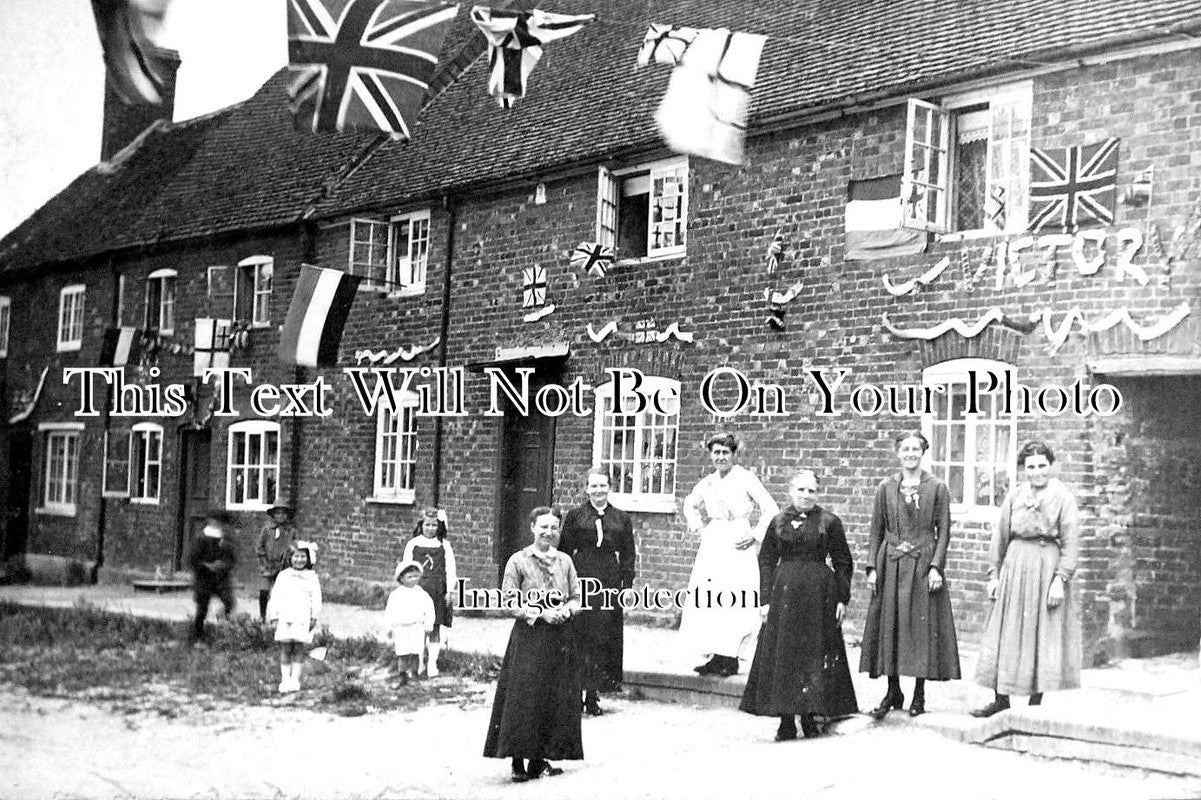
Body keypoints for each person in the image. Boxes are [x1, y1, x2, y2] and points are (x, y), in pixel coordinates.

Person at [740, 470, 858, 740]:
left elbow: (843, 562)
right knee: (785, 654)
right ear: (791, 491)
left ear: (818, 493)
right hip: (785, 596)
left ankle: (809, 716)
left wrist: (842, 598)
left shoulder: (830, 522)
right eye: (801, 490)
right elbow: (766, 561)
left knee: (814, 652)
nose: (806, 495)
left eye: (811, 490)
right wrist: (765, 600)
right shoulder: (778, 521)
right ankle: (786, 721)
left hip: (820, 596)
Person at [972, 441, 1081, 717]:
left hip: (1046, 569)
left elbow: (1071, 543)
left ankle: (1035, 705)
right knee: (1005, 630)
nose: (1037, 472)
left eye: (1042, 465)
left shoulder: (1063, 498)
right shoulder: (1015, 496)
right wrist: (994, 575)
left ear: (1051, 466)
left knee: (1041, 633)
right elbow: (1000, 537)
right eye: (1031, 467)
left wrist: (1060, 580)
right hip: (1015, 566)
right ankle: (1001, 700)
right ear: (1023, 469)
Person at [860, 431, 961, 718]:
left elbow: (943, 531)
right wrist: (872, 568)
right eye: (905, 449)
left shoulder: (937, 487)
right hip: (890, 563)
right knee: (890, 625)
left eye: (915, 449)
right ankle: (893, 690)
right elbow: (876, 530)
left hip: (922, 563)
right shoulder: (886, 487)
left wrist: (936, 566)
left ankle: (919, 693)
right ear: (898, 453)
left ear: (923, 452)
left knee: (920, 628)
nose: (910, 454)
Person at [483, 507, 583, 783]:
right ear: (532, 528)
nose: (548, 533)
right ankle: (517, 761)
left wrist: (567, 610)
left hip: (559, 638)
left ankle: (538, 760)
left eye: (554, 528)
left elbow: (576, 597)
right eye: (543, 527)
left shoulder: (565, 561)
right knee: (523, 696)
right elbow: (509, 601)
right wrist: (540, 613)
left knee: (552, 696)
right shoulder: (518, 561)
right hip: (529, 638)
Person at [680, 433, 779, 677]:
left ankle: (731, 657)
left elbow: (770, 508)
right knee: (711, 595)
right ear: (710, 455)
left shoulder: (746, 478)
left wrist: (755, 535)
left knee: (735, 596)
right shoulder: (708, 482)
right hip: (714, 541)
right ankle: (715, 656)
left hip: (738, 540)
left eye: (725, 452)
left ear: (734, 454)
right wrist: (699, 527)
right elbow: (689, 504)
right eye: (716, 452)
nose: (721, 457)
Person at [559, 468, 636, 716]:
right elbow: (564, 551)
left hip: (609, 579)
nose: (598, 490)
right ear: (586, 489)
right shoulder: (575, 516)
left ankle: (593, 695)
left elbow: (628, 554)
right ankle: (574, 694)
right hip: (582, 576)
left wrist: (626, 586)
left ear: (609, 487)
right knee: (579, 634)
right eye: (593, 486)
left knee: (602, 636)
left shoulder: (621, 518)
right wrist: (563, 584)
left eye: (603, 485)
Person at [400, 508, 456, 677]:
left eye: (434, 525)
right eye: (427, 525)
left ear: (439, 527)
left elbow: (450, 569)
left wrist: (450, 591)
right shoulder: (413, 544)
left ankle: (432, 664)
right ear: (421, 525)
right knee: (417, 629)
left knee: (434, 628)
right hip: (417, 592)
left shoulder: (444, 545)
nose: (430, 528)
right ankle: (418, 663)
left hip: (437, 592)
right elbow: (406, 567)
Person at [266, 541, 322, 693]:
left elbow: (316, 598)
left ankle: (295, 680)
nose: (299, 560)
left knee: (298, 648)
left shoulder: (311, 577)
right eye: (296, 556)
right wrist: (274, 616)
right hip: (285, 616)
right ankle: (285, 680)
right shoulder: (283, 576)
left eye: (303, 556)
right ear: (290, 558)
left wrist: (314, 616)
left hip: (302, 617)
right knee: (285, 648)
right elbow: (275, 597)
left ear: (308, 558)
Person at [187, 510, 238, 644]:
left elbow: (231, 559)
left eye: (220, 522)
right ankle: (197, 637)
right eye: (214, 520)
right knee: (202, 609)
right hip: (203, 579)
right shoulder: (201, 538)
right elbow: (193, 560)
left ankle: (222, 623)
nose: (217, 523)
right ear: (209, 521)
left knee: (229, 602)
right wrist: (207, 566)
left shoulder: (225, 539)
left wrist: (223, 565)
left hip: (220, 579)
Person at [386, 560, 437, 684]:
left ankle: (414, 673)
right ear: (401, 578)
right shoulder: (396, 595)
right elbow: (390, 612)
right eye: (409, 577)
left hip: (416, 627)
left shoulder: (421, 593)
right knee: (403, 653)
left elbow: (429, 609)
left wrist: (428, 625)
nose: (413, 579)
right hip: (401, 628)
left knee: (416, 652)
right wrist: (389, 628)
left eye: (416, 576)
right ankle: (402, 675)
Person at [256, 501, 297, 622]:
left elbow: (295, 547)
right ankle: (262, 616)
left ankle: (280, 617)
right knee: (264, 591)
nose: (280, 516)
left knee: (282, 593)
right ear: (273, 515)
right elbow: (260, 547)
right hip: (268, 565)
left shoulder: (291, 531)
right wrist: (264, 564)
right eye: (278, 513)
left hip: (283, 566)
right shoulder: (267, 530)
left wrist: (289, 558)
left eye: (283, 513)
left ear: (287, 515)